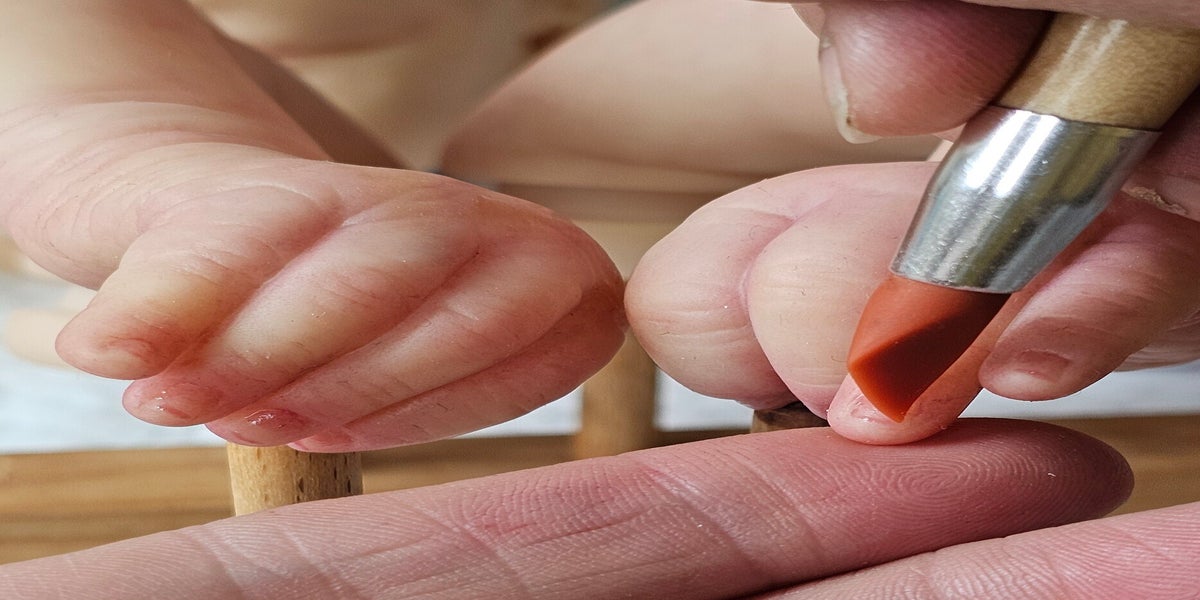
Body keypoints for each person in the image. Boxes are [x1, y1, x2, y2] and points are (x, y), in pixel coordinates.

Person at [0, 0, 1198, 597]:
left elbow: (1061, 74)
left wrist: (905, 210)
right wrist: (143, 153)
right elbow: (54, 54)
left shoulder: (593, 106)